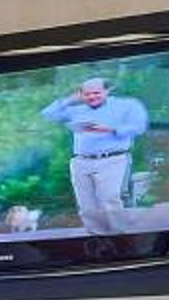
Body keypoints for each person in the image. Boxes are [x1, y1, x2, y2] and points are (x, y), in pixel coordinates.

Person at [40, 76, 148, 235]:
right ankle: (96, 236)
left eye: (96, 93)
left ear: (107, 90)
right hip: (81, 161)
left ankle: (120, 235)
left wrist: (112, 129)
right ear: (81, 95)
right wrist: (70, 99)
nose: (92, 97)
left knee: (110, 199)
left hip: (113, 159)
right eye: (87, 94)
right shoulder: (76, 110)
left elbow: (139, 127)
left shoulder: (127, 105)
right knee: (86, 204)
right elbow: (47, 114)